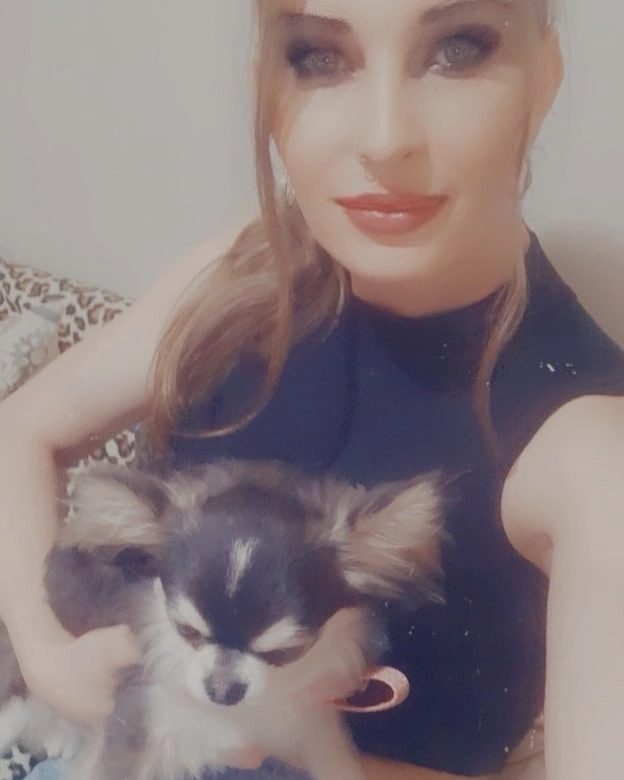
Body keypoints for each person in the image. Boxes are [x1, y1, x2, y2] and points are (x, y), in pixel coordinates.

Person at [2, 0, 624, 778]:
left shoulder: (594, 449)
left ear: (545, 77)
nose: (385, 138)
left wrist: (269, 745)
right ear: (266, 83)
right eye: (319, 58)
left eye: (458, 50)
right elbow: (21, 429)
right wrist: (49, 659)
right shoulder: (245, 269)